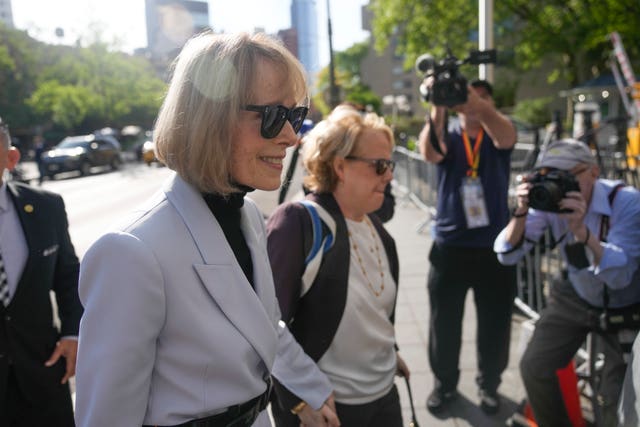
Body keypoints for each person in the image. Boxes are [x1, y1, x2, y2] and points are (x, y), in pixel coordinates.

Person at [74, 32, 339, 427]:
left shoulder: (246, 213)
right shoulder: (130, 251)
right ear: (210, 120)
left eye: (294, 116)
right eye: (272, 117)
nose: (290, 136)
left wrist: (312, 388)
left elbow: (262, 324)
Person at [266, 105, 409, 427]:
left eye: (391, 164)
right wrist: (301, 400)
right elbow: (264, 322)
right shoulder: (299, 223)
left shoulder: (375, 226)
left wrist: (388, 349)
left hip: (384, 393)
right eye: (380, 165)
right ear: (341, 166)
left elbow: (370, 310)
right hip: (330, 407)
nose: (389, 175)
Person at [494, 138, 640, 426]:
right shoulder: (550, 202)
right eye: (548, 176)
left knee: (616, 400)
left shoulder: (627, 201)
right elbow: (506, 254)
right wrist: (521, 212)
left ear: (594, 172)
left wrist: (582, 231)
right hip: (576, 293)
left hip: (625, 304)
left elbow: (622, 276)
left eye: (566, 176)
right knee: (535, 367)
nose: (557, 185)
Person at [417, 79, 517, 414]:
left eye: (483, 98)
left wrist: (478, 105)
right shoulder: (449, 136)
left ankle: (490, 386)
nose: (472, 104)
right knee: (443, 324)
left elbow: (507, 136)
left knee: (495, 324)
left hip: (495, 249)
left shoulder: (497, 136)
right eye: (469, 98)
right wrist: (439, 104)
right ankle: (444, 386)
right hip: (450, 247)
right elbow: (430, 152)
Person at [0, 116, 83, 426]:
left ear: (11, 158)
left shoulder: (46, 207)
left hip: (44, 376)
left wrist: (73, 333)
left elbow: (68, 275)